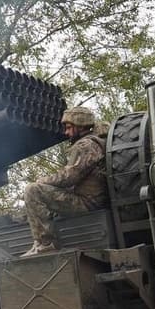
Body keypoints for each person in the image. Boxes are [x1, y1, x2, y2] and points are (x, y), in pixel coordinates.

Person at [21, 106, 108, 256]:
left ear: (80, 126)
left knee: (33, 190)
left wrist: (43, 180)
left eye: (69, 128)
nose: (66, 132)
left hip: (86, 202)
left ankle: (45, 243)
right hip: (92, 199)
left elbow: (69, 177)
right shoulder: (95, 143)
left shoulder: (85, 145)